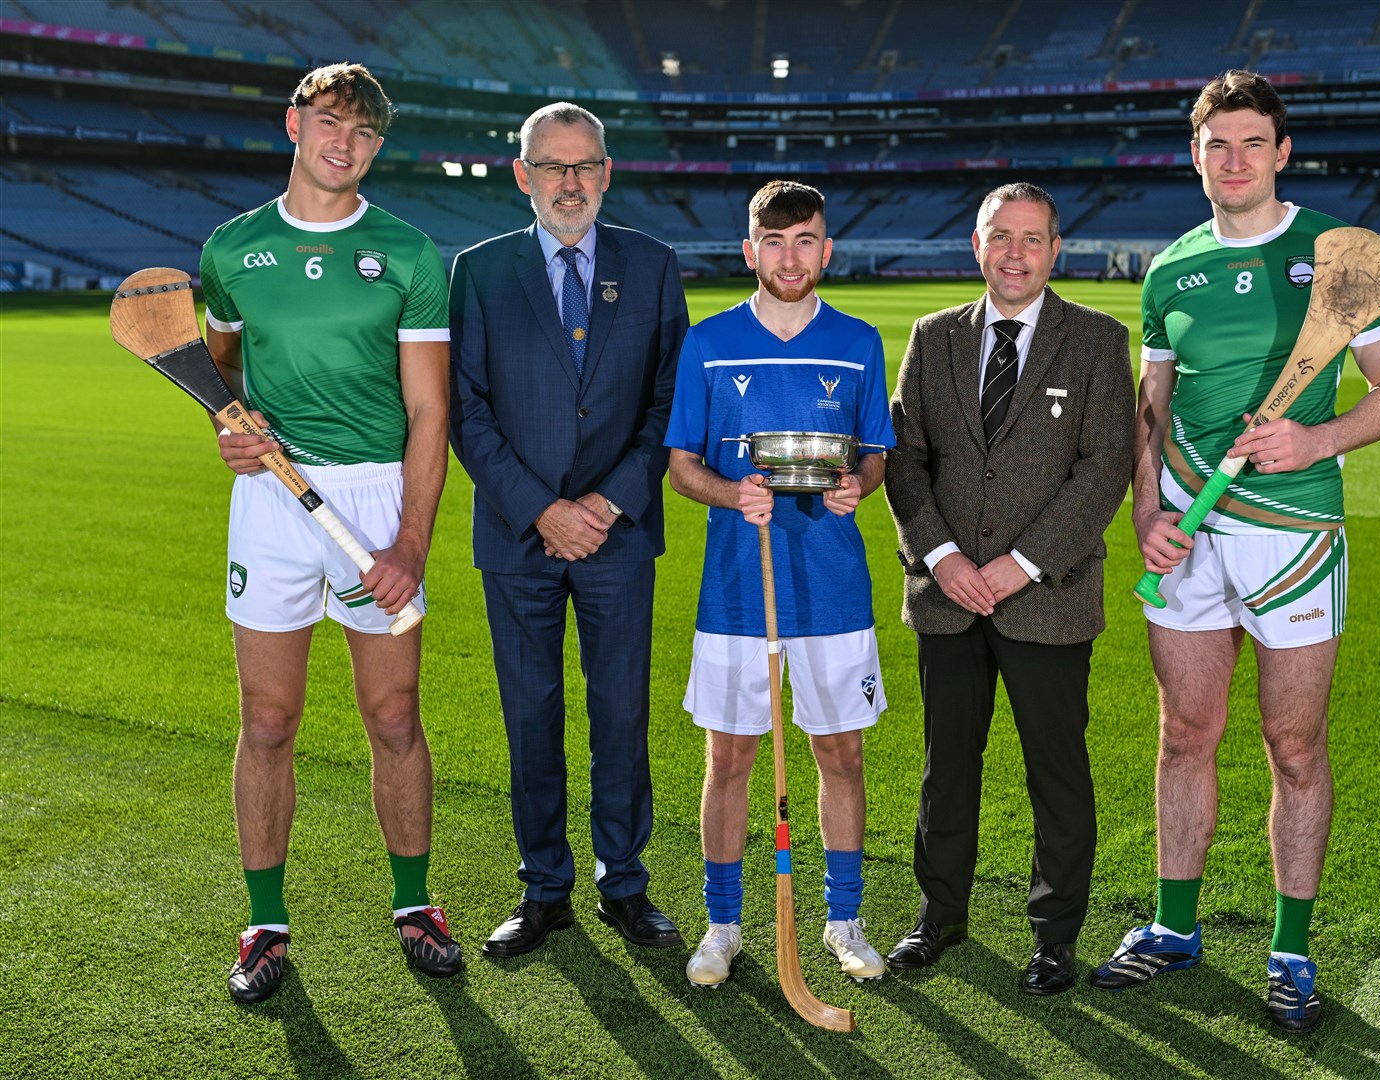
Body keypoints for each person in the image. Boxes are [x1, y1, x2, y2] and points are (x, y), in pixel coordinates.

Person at [1087, 70, 1380, 1034]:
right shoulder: (1169, 270)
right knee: (1184, 733)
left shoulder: (1337, 254)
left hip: (1296, 532)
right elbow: (1149, 413)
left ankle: (1290, 949)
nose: (1232, 161)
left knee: (1294, 744)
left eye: (1249, 143)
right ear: (1194, 158)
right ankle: (1173, 927)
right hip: (1188, 529)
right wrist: (1146, 512)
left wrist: (1317, 439)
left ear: (1280, 153)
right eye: (1214, 145)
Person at [199, 62, 459, 1004]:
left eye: (363, 132)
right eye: (329, 122)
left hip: (377, 497)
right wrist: (230, 429)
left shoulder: (409, 254)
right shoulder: (232, 250)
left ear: (376, 148)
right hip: (271, 502)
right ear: (295, 124)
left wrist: (411, 547)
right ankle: (264, 922)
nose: (344, 142)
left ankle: (415, 903)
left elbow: (430, 415)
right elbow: (220, 378)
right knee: (268, 721)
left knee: (393, 715)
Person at [883, 183, 1135, 995]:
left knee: (1055, 772)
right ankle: (938, 916)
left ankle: (1054, 936)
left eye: (1031, 239)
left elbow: (1106, 469)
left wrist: (1018, 566)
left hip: (1048, 598)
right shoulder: (933, 336)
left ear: (1055, 250)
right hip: (949, 597)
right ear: (976, 245)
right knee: (945, 767)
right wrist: (946, 558)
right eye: (1001, 237)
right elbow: (905, 457)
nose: (1015, 253)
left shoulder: (1097, 339)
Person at [449, 102, 688, 957]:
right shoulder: (478, 271)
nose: (570, 182)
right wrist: (543, 509)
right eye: (552, 166)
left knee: (621, 714)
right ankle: (543, 886)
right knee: (532, 715)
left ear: (607, 172)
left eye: (585, 165)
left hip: (619, 538)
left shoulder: (653, 266)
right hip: (519, 539)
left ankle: (624, 884)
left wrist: (607, 504)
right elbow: (465, 409)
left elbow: (669, 401)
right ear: (523, 175)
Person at [662, 180, 893, 988]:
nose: (789, 257)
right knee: (728, 759)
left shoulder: (859, 341)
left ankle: (844, 917)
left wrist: (858, 485)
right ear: (749, 249)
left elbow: (874, 456)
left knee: (840, 754)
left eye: (805, 242)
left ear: (826, 251)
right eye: (774, 241)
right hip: (737, 587)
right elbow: (682, 465)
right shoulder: (709, 342)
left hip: (833, 587)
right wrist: (732, 492)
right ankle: (722, 923)